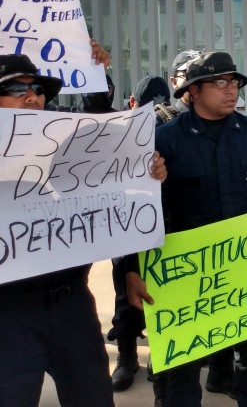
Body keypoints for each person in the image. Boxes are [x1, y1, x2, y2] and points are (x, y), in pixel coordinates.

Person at [126, 51, 247, 407]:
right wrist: (131, 270)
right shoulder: (165, 140)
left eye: (234, 83)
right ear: (193, 91)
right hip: (183, 279)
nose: (231, 91)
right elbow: (140, 211)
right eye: (219, 83)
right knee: (179, 375)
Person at [0, 48, 166, 407]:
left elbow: (112, 183)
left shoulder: (67, 138)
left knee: (92, 397)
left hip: (71, 304)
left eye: (38, 89)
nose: (31, 97)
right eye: (15, 90)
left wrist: (146, 173)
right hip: (8, 314)